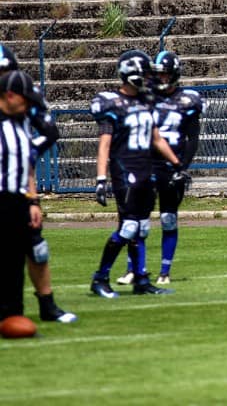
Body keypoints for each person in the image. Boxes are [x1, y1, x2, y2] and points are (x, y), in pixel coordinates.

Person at [89, 49, 187, 298]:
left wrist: (177, 165)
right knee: (129, 226)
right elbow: (104, 145)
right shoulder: (113, 104)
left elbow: (156, 138)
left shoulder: (145, 101)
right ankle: (100, 278)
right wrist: (101, 179)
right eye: (145, 74)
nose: (149, 78)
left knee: (140, 228)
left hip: (146, 170)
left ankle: (141, 279)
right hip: (124, 172)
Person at [0, 44, 76, 323]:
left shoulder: (22, 104)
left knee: (34, 248)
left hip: (18, 190)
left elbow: (48, 132)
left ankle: (46, 304)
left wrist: (33, 198)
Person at [117, 50, 205, 286]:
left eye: (166, 74)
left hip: (171, 165)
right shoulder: (146, 96)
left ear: (174, 74)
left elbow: (192, 139)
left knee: (168, 218)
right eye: (159, 74)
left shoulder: (188, 100)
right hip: (146, 163)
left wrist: (182, 167)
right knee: (139, 221)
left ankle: (164, 271)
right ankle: (134, 269)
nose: (161, 78)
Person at [0, 71, 45, 325]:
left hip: (17, 200)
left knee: (15, 260)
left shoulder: (20, 125)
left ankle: (13, 314)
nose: (27, 105)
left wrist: (33, 200)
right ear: (10, 95)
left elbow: (27, 166)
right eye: (24, 99)